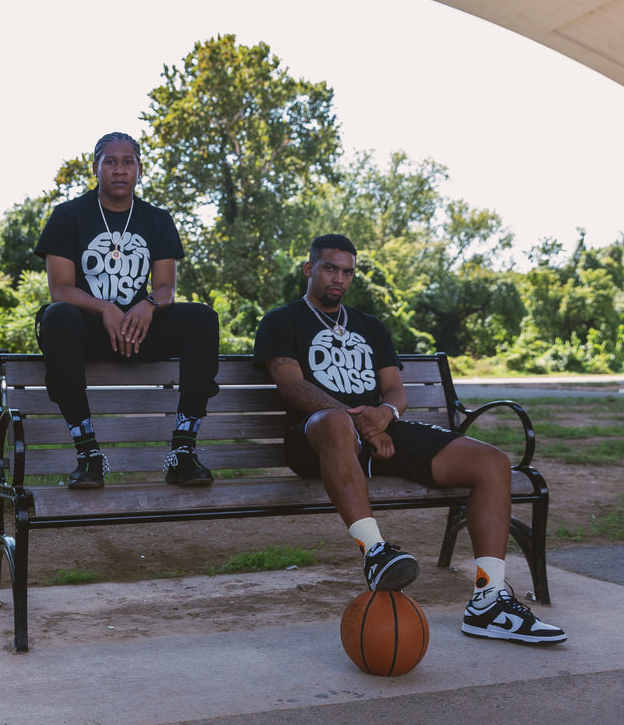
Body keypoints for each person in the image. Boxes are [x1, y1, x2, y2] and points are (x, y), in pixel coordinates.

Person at [253, 233, 566, 645]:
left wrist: (384, 416)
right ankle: (376, 552)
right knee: (334, 423)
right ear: (310, 268)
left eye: (347, 272)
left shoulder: (371, 326)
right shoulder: (282, 320)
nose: (339, 279)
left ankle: (488, 601)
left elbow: (394, 391)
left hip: (379, 431)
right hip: (316, 437)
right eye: (330, 268)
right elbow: (293, 388)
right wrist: (357, 422)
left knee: (491, 462)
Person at [34, 132, 219, 489]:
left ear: (139, 169)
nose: (120, 170)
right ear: (96, 168)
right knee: (56, 317)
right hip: (87, 332)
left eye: (128, 162)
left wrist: (147, 305)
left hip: (139, 330)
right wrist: (105, 308)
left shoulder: (157, 219)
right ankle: (88, 454)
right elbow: (60, 289)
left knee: (202, 318)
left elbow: (166, 286)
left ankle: (183, 452)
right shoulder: (68, 215)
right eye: (111, 162)